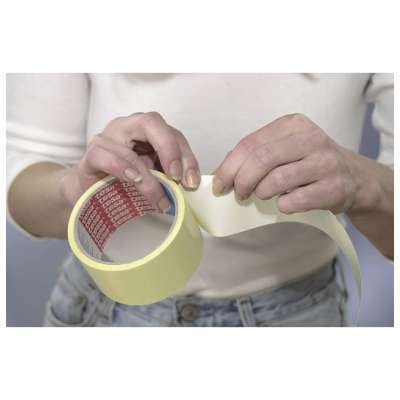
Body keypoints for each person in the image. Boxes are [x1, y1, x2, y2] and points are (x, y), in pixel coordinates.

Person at [6, 73, 393, 327]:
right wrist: (76, 189)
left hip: (296, 316)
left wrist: (364, 184)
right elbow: (23, 168)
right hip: (104, 311)